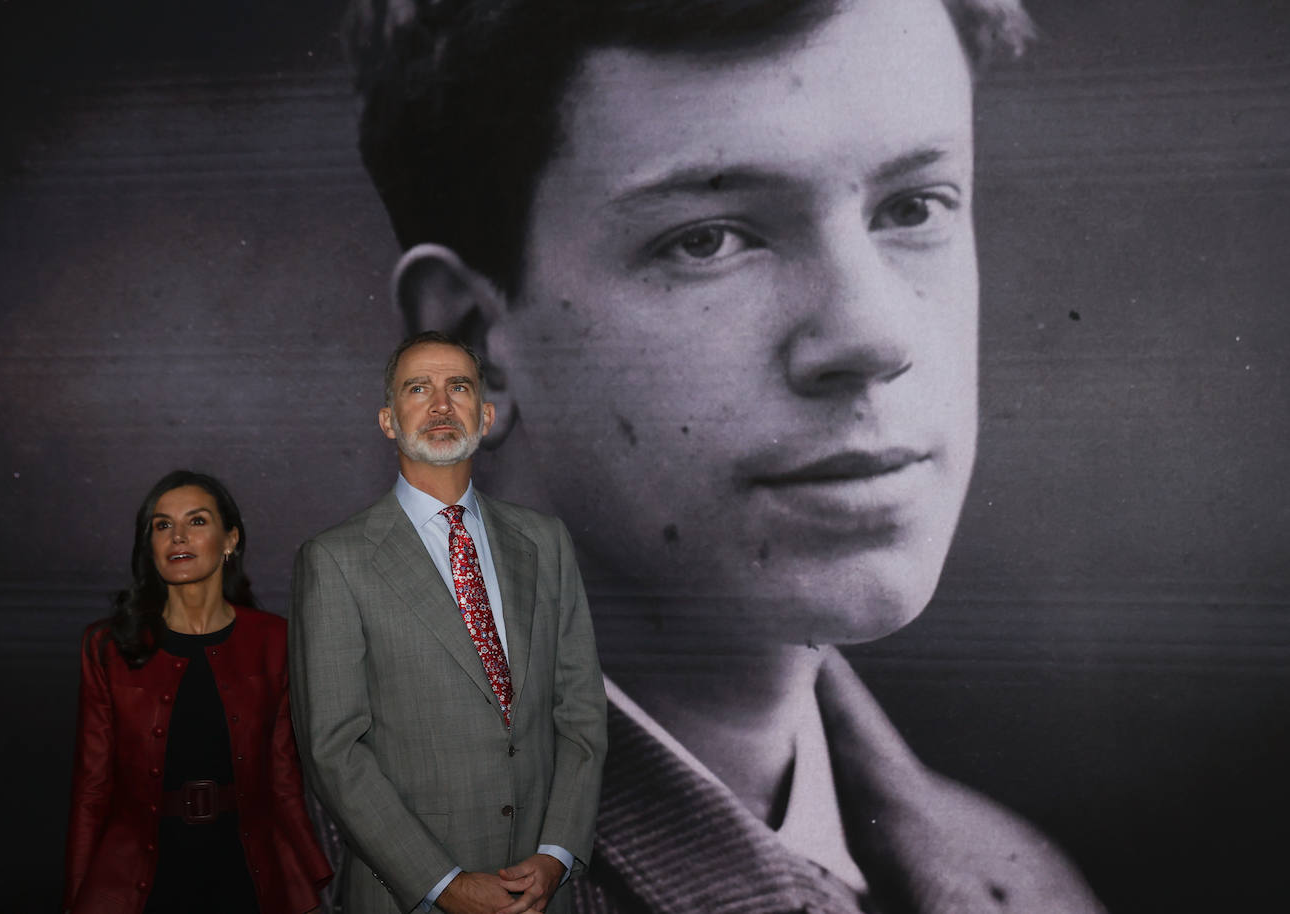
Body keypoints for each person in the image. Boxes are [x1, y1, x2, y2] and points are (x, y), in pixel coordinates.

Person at [343, 0, 1108, 912]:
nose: (871, 333)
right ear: (468, 349)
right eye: (707, 239)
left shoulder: (1017, 881)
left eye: (913, 207)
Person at [289, 332, 608, 914]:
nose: (441, 405)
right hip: (410, 897)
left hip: (542, 893)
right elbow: (334, 750)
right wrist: (444, 884)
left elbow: (581, 714)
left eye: (458, 387)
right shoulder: (335, 559)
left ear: (485, 417)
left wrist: (557, 853)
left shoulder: (546, 541)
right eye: (419, 388)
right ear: (389, 420)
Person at [63, 470, 332, 914]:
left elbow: (284, 778)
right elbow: (91, 789)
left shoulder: (273, 641)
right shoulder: (108, 647)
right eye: (163, 525)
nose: (178, 537)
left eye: (198, 521)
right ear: (149, 547)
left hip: (244, 872)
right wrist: (76, 897)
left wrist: (307, 877)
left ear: (230, 540)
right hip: (141, 880)